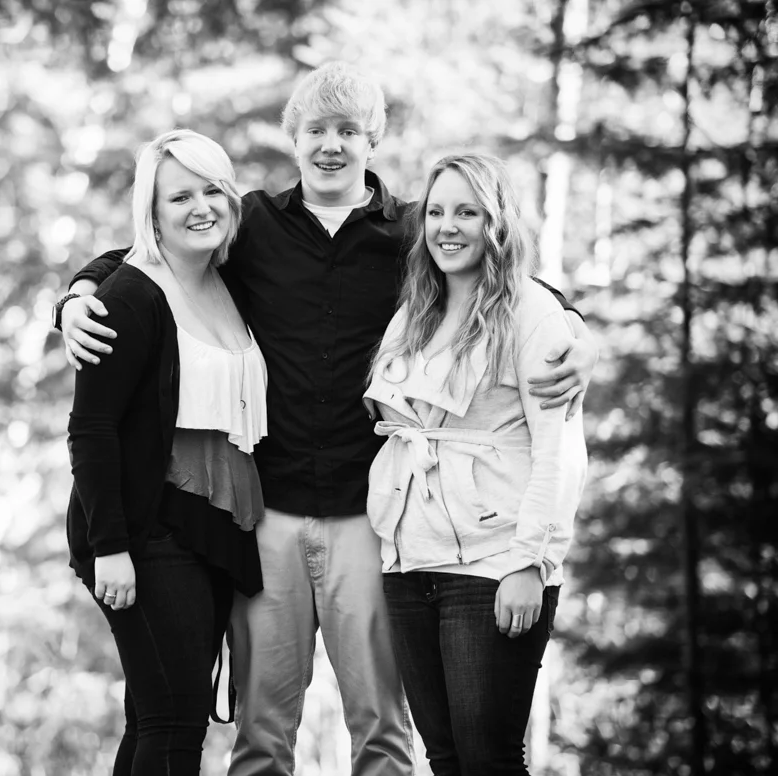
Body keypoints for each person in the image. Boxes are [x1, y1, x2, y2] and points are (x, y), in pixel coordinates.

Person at [57, 63, 598, 776]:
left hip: (368, 517)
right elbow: (151, 250)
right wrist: (78, 293)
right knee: (261, 730)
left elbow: (507, 271)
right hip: (266, 515)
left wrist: (577, 330)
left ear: (373, 140)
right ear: (295, 138)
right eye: (316, 129)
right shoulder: (250, 224)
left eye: (348, 130)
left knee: (381, 728)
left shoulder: (413, 230)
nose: (331, 145)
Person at [363, 153, 588, 775]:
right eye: (436, 212)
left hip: (494, 563)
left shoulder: (531, 312)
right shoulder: (415, 314)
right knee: (445, 758)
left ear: (497, 222)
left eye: (467, 212)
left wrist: (531, 562)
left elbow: (559, 449)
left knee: (489, 759)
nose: (447, 226)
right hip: (411, 563)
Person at [65, 128, 267, 775]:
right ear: (151, 212)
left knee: (159, 718)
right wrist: (111, 548)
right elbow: (91, 428)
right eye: (180, 197)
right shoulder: (129, 296)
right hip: (144, 532)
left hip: (210, 528)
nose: (200, 207)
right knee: (175, 721)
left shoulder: (229, 279)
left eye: (213, 191)